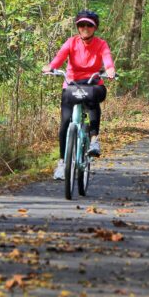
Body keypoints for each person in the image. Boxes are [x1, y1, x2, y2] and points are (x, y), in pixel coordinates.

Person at [42, 10, 115, 180]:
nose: (85, 28)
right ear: (77, 26)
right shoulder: (71, 42)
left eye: (89, 25)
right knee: (65, 123)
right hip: (72, 86)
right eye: (82, 24)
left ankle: (94, 139)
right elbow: (59, 58)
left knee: (92, 97)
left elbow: (107, 59)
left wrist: (110, 69)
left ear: (95, 27)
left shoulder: (101, 44)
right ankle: (62, 162)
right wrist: (50, 66)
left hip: (93, 84)